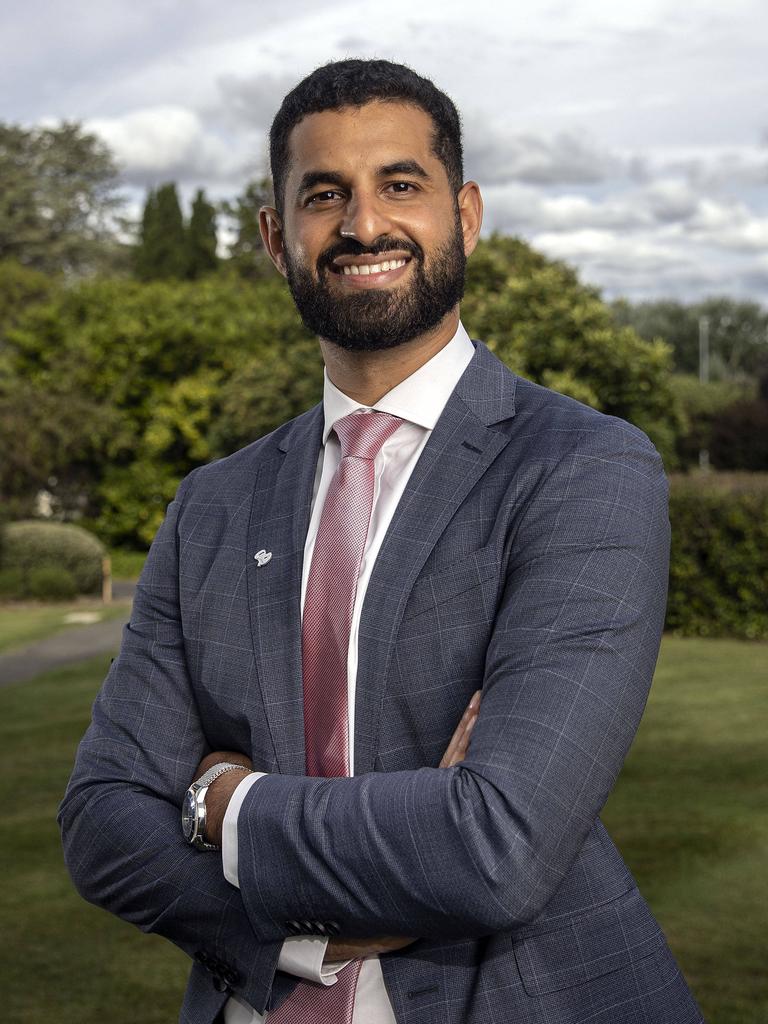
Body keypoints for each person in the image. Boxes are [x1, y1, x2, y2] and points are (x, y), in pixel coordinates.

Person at [59, 59, 705, 1024]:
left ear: (467, 214)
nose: (364, 225)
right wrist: (303, 932)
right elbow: (103, 821)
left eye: (401, 184)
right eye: (327, 195)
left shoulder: (584, 468)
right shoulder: (213, 505)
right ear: (277, 239)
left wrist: (223, 804)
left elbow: (497, 845)